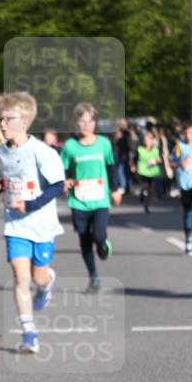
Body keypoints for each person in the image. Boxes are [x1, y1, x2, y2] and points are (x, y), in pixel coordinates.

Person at [0, 92, 65, 355]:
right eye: (0, 118)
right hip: (15, 225)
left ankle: (47, 283)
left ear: (26, 121)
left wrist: (30, 205)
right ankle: (29, 334)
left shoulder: (42, 152)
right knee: (20, 277)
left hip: (41, 225)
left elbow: (57, 186)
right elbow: (5, 182)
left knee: (38, 277)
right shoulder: (0, 153)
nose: (2, 124)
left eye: (8, 119)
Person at [60, 103, 122, 292]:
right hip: (78, 201)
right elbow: (63, 169)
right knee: (85, 240)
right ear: (76, 123)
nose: (86, 125)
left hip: (100, 199)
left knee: (99, 234)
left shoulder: (104, 144)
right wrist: (66, 180)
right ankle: (93, 277)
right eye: (82, 121)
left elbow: (111, 167)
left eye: (90, 121)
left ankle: (102, 243)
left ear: (95, 123)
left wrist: (115, 190)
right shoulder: (70, 146)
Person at [171, 121, 192, 255]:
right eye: (186, 133)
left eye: (191, 133)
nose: (188, 136)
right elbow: (172, 162)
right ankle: (188, 241)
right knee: (188, 212)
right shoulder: (179, 146)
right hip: (185, 185)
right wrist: (180, 163)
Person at [134, 130, 163, 214]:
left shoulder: (155, 150)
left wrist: (156, 160)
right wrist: (133, 166)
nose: (147, 142)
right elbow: (135, 159)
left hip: (152, 172)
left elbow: (159, 159)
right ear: (143, 141)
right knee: (145, 187)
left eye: (149, 140)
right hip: (142, 171)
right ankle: (142, 195)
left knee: (150, 189)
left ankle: (146, 204)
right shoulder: (140, 149)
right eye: (146, 140)